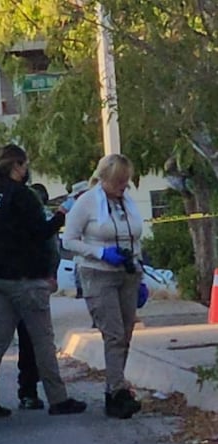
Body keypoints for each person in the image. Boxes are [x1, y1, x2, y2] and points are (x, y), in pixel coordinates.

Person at [0, 144, 87, 417]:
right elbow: (40, 232)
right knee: (42, 339)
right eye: (25, 163)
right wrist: (63, 212)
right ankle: (58, 397)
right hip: (24, 278)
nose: (27, 168)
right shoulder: (23, 196)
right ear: (17, 165)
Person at [62, 154, 144, 419]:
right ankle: (117, 391)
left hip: (127, 274)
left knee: (126, 334)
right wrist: (100, 252)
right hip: (98, 274)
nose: (123, 186)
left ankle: (116, 388)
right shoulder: (88, 201)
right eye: (118, 181)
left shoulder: (126, 202)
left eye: (125, 181)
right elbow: (69, 240)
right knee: (114, 333)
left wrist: (140, 273)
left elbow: (135, 237)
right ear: (105, 178)